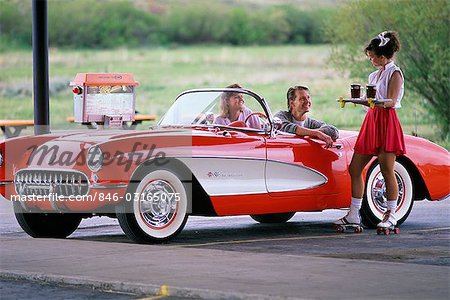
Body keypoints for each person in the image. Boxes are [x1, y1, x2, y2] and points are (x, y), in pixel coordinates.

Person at [334, 31, 406, 229]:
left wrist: (374, 102)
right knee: (355, 168)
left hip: (387, 121)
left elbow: (391, 100)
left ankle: (391, 214)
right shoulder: (373, 75)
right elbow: (371, 101)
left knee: (386, 169)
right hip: (372, 120)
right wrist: (359, 101)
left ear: (383, 56)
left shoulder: (395, 73)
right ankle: (353, 214)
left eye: (373, 56)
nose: (371, 59)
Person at [274, 85, 339, 148]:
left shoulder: (312, 123)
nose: (307, 101)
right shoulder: (281, 116)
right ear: (292, 103)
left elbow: (334, 131)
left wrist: (317, 132)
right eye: (302, 99)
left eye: (308, 97)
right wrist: (316, 133)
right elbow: (285, 126)